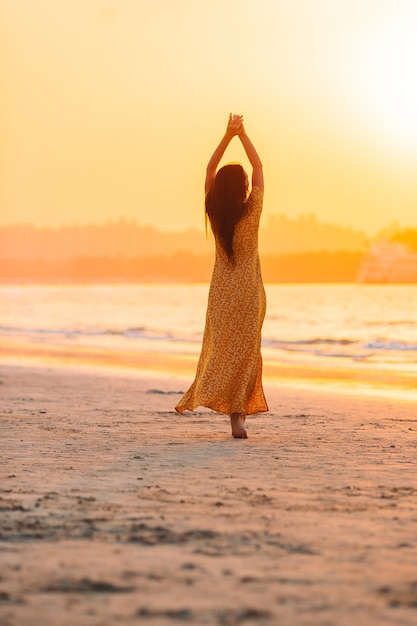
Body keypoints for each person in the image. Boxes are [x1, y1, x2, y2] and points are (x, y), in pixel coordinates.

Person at [175, 114, 268, 438]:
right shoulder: (252, 209)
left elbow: (209, 171)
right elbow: (258, 169)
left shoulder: (214, 209)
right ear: (243, 187)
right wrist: (242, 135)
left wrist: (227, 135)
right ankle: (237, 417)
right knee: (246, 353)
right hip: (248, 293)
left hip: (221, 292)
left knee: (222, 350)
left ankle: (226, 408)